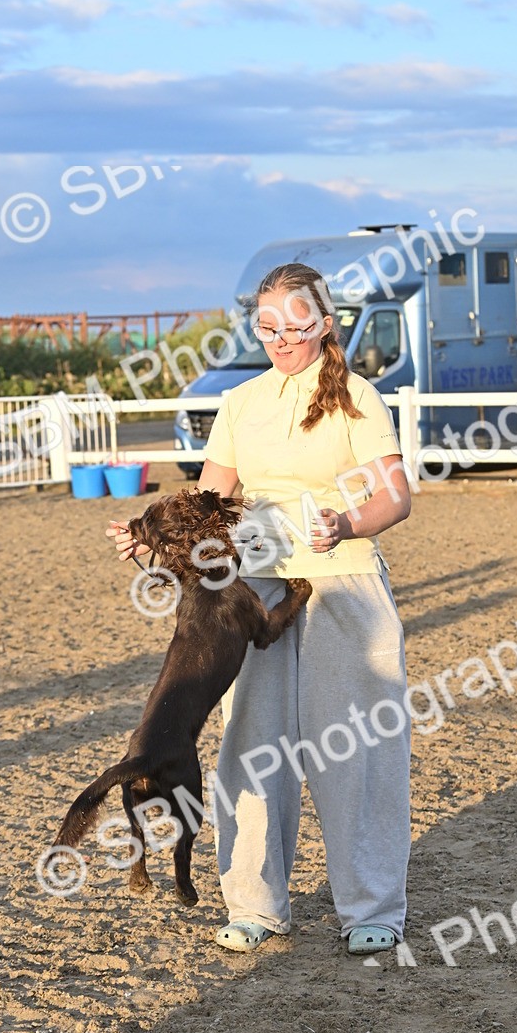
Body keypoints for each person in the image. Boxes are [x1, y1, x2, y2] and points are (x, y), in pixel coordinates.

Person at [107, 263, 412, 955]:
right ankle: (254, 902)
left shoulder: (358, 398)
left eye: (296, 326)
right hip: (254, 591)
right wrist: (150, 540)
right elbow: (204, 509)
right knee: (252, 745)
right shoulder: (241, 401)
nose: (282, 339)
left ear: (324, 323)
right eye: (267, 327)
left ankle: (371, 907)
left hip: (344, 580)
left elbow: (396, 496)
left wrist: (349, 525)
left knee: (357, 748)